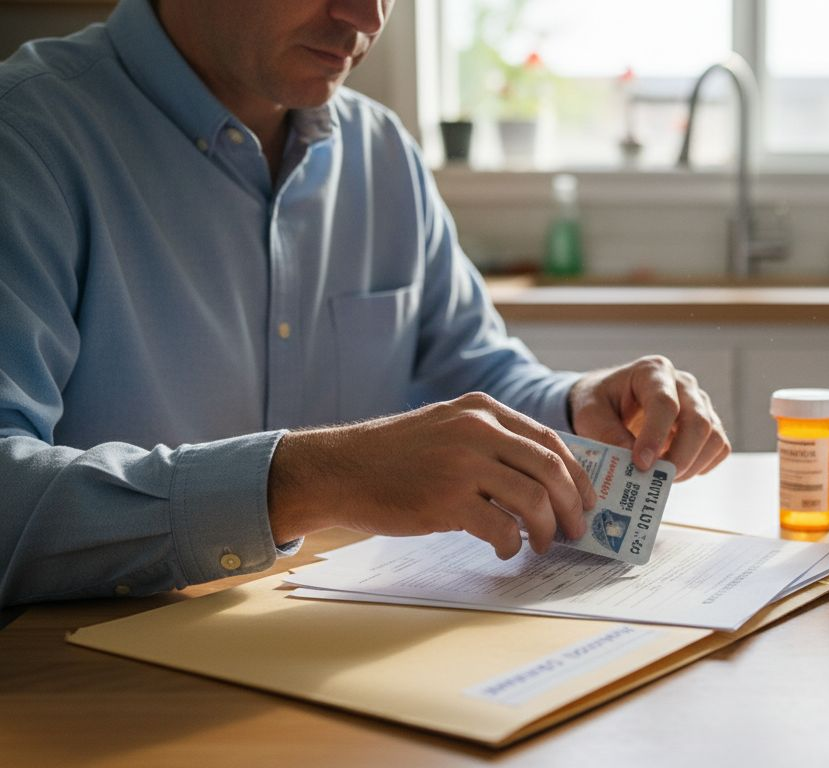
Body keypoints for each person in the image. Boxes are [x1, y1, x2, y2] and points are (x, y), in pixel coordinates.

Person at [0, 0, 730, 608]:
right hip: (100, 696)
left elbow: (473, 371)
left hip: (343, 658)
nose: (368, 16)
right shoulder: (26, 139)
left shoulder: (381, 152)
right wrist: (320, 477)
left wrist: (579, 407)